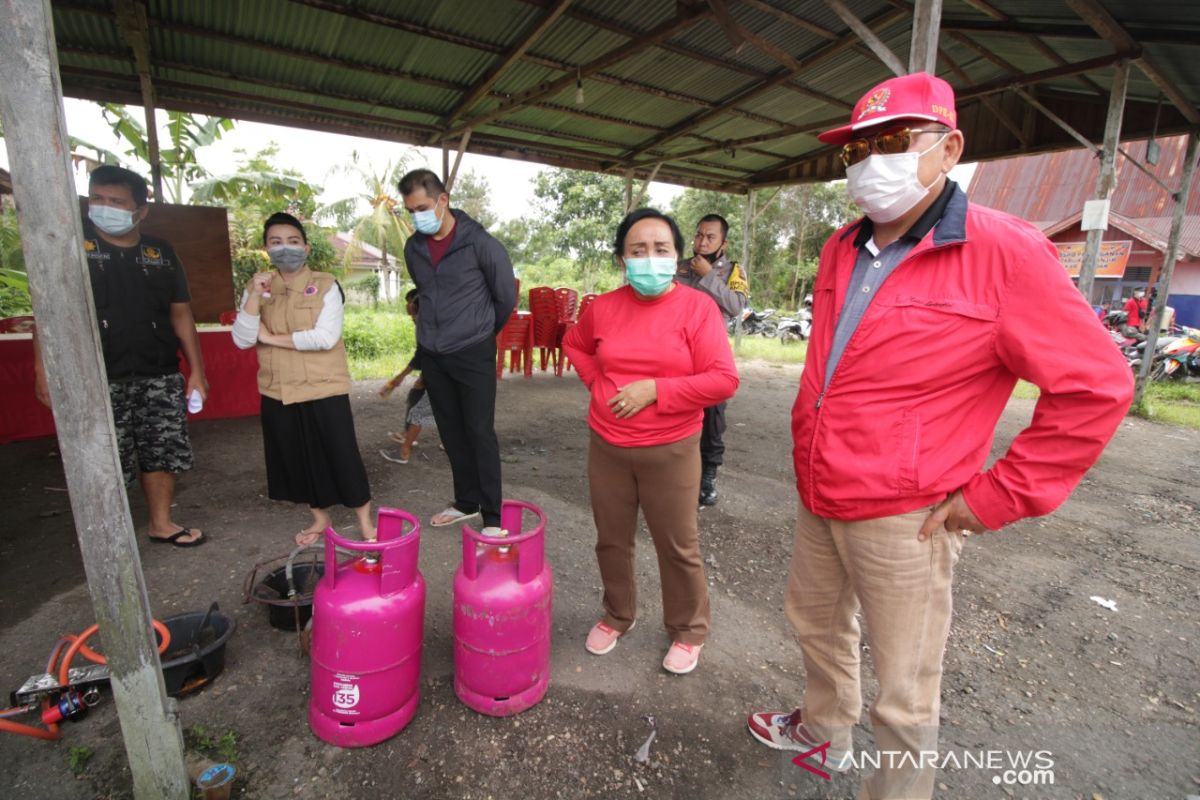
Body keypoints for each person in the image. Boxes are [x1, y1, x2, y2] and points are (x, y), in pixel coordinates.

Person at [745, 72, 1133, 798]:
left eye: (891, 142)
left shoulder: (1005, 253)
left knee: (905, 688)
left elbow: (1096, 386)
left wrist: (998, 496)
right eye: (855, 151)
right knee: (817, 627)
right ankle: (824, 733)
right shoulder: (840, 248)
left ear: (949, 148)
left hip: (907, 515)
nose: (869, 162)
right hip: (820, 486)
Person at [562, 208, 739, 675]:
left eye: (661, 249)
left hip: (673, 447)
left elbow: (723, 380)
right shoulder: (603, 307)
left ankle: (688, 629)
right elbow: (575, 344)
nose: (649, 258)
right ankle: (618, 614)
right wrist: (596, 384)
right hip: (608, 447)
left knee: (678, 544)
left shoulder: (698, 307)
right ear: (623, 258)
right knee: (611, 540)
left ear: (678, 256)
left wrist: (656, 390)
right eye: (638, 250)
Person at [34, 165, 208, 547]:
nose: (104, 207)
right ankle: (107, 537)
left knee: (160, 450)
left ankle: (160, 523)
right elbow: (49, 312)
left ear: (140, 210)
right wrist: (42, 369)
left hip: (157, 370)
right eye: (98, 199)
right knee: (101, 457)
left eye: (116, 201)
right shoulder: (70, 246)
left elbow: (181, 313)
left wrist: (197, 371)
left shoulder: (160, 253)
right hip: (94, 375)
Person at [231, 212, 374, 546]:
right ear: (266, 248)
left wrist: (268, 337)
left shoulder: (325, 285)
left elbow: (324, 337)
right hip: (278, 390)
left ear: (306, 248)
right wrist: (254, 295)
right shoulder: (258, 288)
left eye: (293, 242)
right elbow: (241, 338)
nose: (285, 249)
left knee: (342, 455)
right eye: (276, 242)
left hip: (323, 387)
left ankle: (366, 524)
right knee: (297, 460)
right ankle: (320, 519)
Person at [398, 169, 516, 535]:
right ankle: (466, 501)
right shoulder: (414, 247)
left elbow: (505, 298)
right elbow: (424, 292)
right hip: (434, 353)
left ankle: (492, 516)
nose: (417, 216)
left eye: (422, 207)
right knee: (450, 430)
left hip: (473, 350)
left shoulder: (481, 243)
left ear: (443, 200)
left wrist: (480, 332)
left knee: (479, 430)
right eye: (410, 210)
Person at [675, 214, 748, 506]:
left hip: (710, 354)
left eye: (710, 237)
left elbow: (736, 307)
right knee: (674, 410)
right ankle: (675, 473)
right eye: (699, 236)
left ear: (723, 242)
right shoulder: (678, 267)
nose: (702, 242)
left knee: (713, 416)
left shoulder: (733, 271)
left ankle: (708, 476)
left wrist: (707, 274)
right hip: (676, 352)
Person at [379, 288, 435, 464]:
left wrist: (401, 378)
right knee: (420, 403)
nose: (411, 316)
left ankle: (404, 451)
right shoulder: (433, 323)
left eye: (413, 310)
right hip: (444, 374)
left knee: (419, 410)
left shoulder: (428, 326)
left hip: (442, 375)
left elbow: (425, 354)